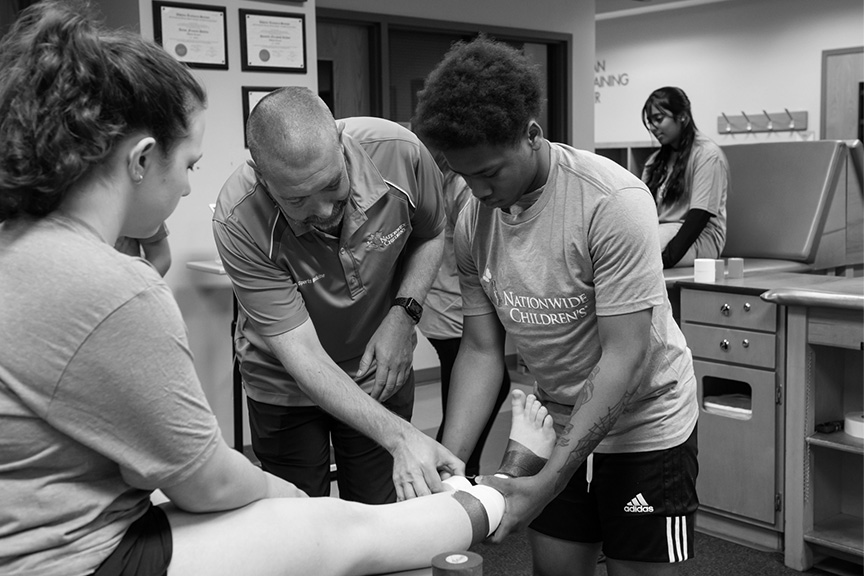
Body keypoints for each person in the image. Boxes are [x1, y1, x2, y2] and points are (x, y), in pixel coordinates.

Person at [0, 4, 555, 575]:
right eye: (189, 165)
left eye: (333, 188)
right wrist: (298, 506)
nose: (192, 187)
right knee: (341, 535)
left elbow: (154, 466)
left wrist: (402, 315)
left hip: (79, 529)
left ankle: (487, 487)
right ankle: (502, 488)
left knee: (357, 518)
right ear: (142, 159)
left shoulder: (26, 251)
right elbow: (205, 478)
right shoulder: (124, 284)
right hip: (77, 554)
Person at [413, 37, 699, 576]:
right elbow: (479, 348)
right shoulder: (475, 219)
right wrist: (450, 459)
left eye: (490, 172)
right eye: (463, 174)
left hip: (645, 428)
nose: (477, 190)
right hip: (560, 421)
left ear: (532, 135)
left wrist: (545, 483)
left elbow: (624, 357)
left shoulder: (610, 202)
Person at [213, 86, 457, 503]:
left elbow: (431, 233)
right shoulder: (238, 218)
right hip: (285, 384)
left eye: (331, 185)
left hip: (378, 370)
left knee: (378, 511)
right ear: (262, 175)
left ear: (341, 146)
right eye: (297, 199)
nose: (323, 211)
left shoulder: (400, 154)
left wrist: (403, 315)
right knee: (300, 518)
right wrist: (402, 439)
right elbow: (303, 354)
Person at [418, 149, 511, 477]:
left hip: (444, 308)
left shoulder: (440, 180)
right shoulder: (458, 186)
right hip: (454, 311)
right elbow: (477, 247)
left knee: (464, 398)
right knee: (472, 397)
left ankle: (454, 471)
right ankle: (455, 473)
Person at [641, 86, 729, 269]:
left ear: (682, 116)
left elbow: (699, 216)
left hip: (700, 237)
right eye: (650, 122)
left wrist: (667, 259)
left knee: (641, 246)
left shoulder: (707, 155)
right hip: (661, 232)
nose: (653, 127)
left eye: (658, 119)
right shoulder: (654, 162)